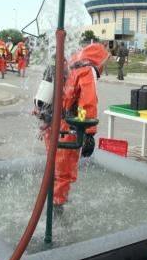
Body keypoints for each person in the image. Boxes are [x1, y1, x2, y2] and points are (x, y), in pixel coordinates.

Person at [44, 43, 109, 209]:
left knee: (54, 167)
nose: (104, 67)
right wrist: (88, 133)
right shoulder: (87, 70)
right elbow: (86, 104)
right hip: (66, 127)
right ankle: (58, 205)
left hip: (51, 124)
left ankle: (55, 198)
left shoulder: (71, 66)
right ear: (98, 60)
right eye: (105, 62)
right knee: (63, 171)